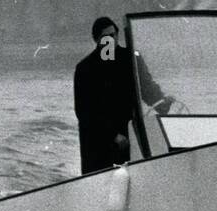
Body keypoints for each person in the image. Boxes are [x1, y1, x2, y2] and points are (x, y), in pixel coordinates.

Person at [72, 16, 177, 174]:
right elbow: (84, 111)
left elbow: (147, 88)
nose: (112, 39)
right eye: (107, 37)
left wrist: (162, 102)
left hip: (130, 136)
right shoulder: (85, 68)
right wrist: (112, 135)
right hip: (98, 144)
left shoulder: (131, 59)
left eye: (114, 34)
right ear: (97, 40)